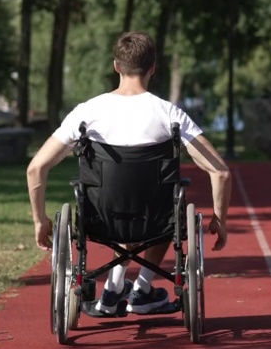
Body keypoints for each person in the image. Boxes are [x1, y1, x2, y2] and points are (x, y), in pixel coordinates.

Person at [27, 31, 230, 317]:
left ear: (116, 66)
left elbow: (36, 168)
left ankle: (113, 289)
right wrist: (220, 220)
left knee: (124, 197)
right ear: (153, 68)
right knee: (165, 199)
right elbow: (220, 172)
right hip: (156, 218)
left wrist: (40, 220)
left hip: (101, 215)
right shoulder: (170, 114)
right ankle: (143, 287)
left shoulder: (87, 113)